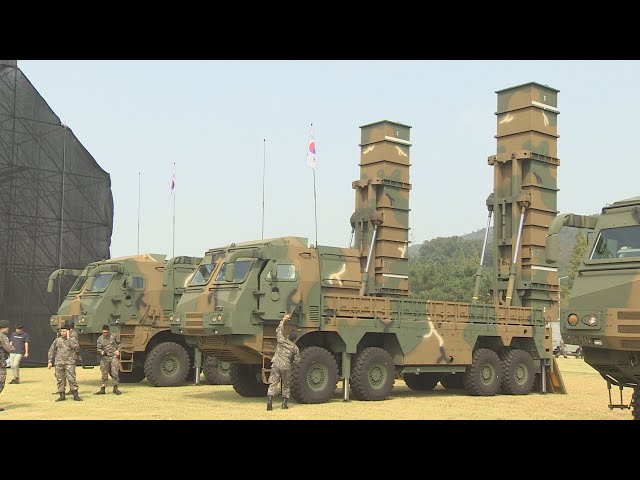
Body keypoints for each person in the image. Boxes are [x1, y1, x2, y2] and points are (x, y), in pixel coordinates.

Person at [266, 313, 300, 410]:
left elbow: (279, 330)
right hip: (286, 367)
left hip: (276, 364)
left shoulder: (281, 341)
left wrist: (284, 319)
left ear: (288, 336)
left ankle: (269, 403)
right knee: (286, 385)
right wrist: (291, 365)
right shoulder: (294, 348)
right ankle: (284, 404)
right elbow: (297, 360)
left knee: (273, 383)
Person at [47, 324, 82, 401]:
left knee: (71, 379)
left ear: (68, 331)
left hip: (69, 363)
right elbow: (51, 350)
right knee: (60, 379)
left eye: (64, 331)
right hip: (59, 363)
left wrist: (69, 338)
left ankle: (75, 394)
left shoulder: (72, 340)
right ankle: (62, 395)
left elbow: (77, 348)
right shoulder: (57, 340)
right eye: (61, 331)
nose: (62, 333)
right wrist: (50, 361)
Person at [95, 324, 121, 395]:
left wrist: (118, 350)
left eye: (106, 332)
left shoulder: (113, 336)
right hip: (105, 358)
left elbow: (120, 344)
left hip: (113, 356)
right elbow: (98, 348)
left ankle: (115, 388)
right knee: (104, 373)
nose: (105, 334)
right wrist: (102, 352)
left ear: (108, 331)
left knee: (115, 372)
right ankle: (102, 388)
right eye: (103, 332)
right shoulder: (100, 339)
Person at [0, 320, 14, 411]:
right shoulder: (2, 336)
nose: (8, 329)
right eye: (7, 327)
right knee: (1, 383)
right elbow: (8, 349)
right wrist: (12, 346)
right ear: (3, 328)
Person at [64, 320, 81, 395]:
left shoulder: (73, 334)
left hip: (71, 356)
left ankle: (73, 389)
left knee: (71, 374)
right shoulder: (70, 333)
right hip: (66, 355)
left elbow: (74, 345)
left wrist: (68, 337)